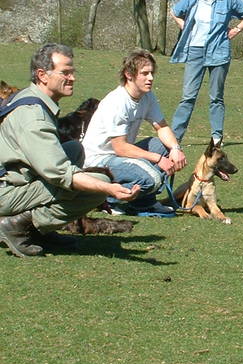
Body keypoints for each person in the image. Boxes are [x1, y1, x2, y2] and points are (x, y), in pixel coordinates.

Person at [0, 43, 139, 257]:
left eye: (72, 72)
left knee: (74, 149)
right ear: (42, 75)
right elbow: (61, 174)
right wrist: (109, 189)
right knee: (97, 186)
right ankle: (18, 226)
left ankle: (42, 230)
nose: (72, 78)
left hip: (14, 179)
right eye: (65, 72)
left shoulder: (31, 97)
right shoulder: (34, 117)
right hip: (6, 191)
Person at [81, 49, 187, 214]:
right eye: (145, 73)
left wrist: (175, 149)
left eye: (152, 73)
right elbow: (120, 148)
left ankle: (144, 202)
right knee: (152, 178)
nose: (150, 78)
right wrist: (158, 159)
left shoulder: (147, 96)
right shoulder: (117, 102)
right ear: (129, 75)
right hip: (99, 160)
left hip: (120, 156)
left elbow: (162, 127)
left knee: (165, 146)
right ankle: (106, 200)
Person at [170, 0, 243, 144]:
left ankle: (216, 137)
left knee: (216, 96)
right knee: (188, 96)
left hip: (219, 52)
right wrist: (184, 26)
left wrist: (236, 30)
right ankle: (175, 138)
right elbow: (175, 11)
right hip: (195, 51)